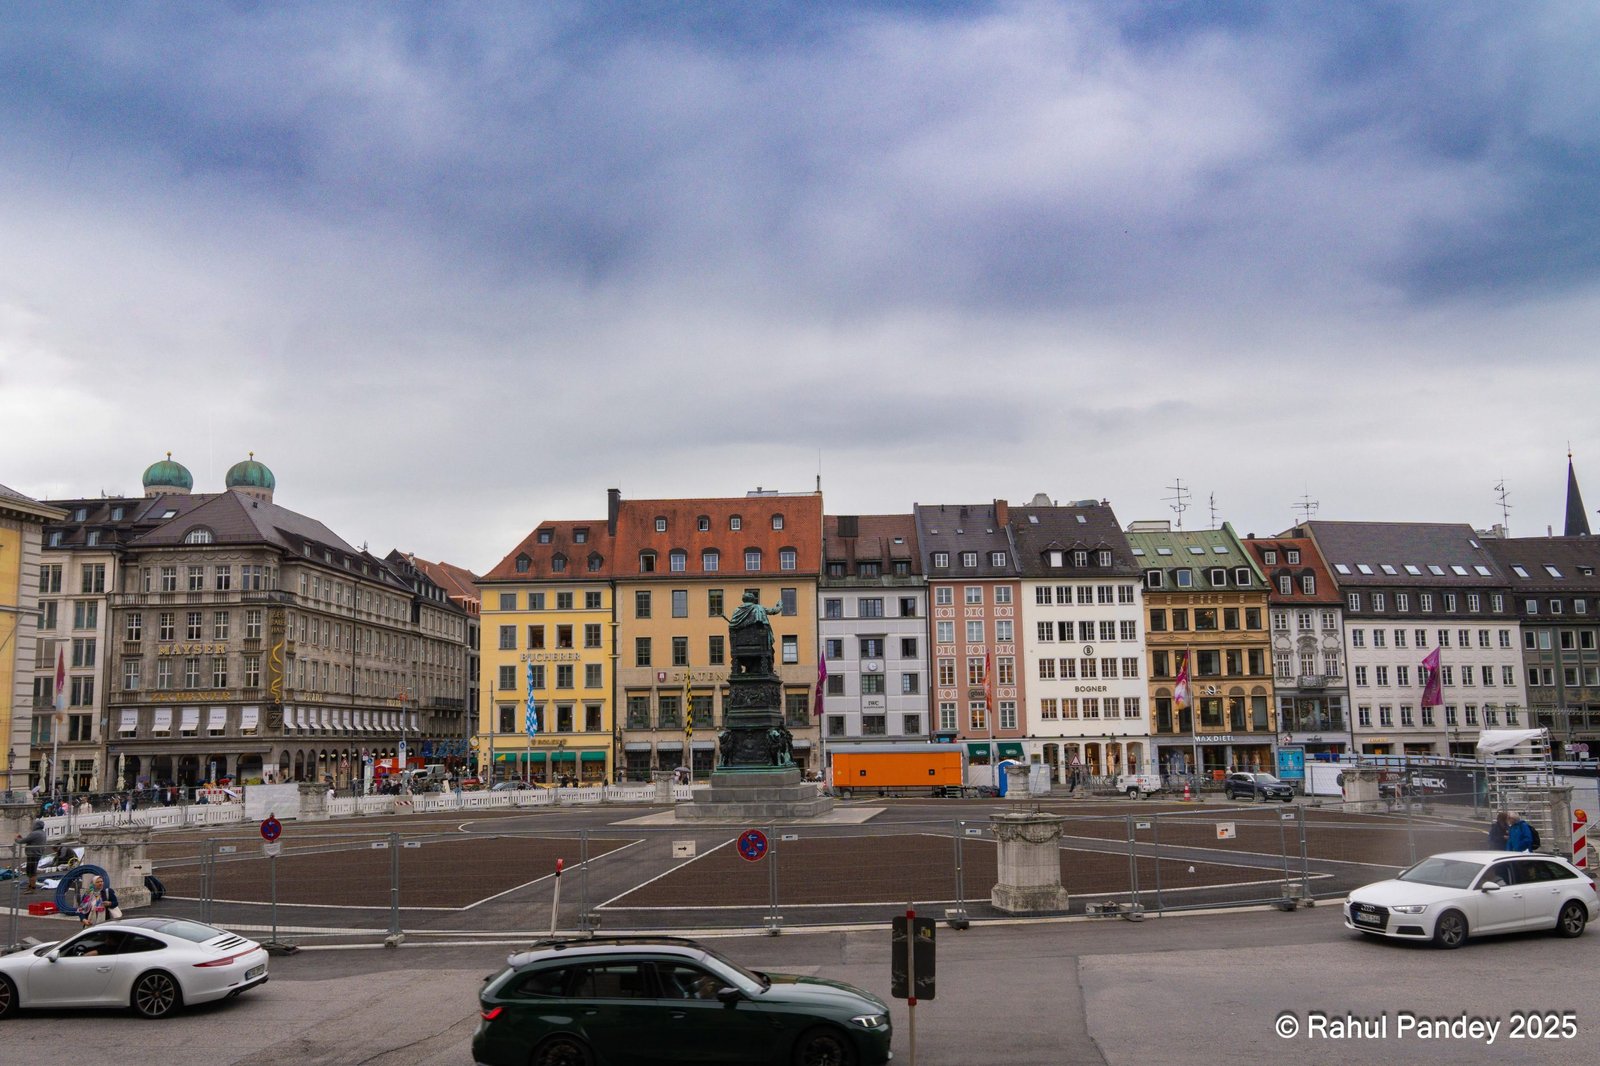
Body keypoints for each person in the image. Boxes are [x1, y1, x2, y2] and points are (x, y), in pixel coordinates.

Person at [15, 819, 46, 891]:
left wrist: (16, 839)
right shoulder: (42, 833)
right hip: (37, 854)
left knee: (31, 872)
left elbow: (22, 841)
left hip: (33, 854)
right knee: (31, 871)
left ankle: (32, 888)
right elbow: (29, 840)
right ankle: (30, 886)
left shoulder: (35, 833)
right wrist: (21, 838)